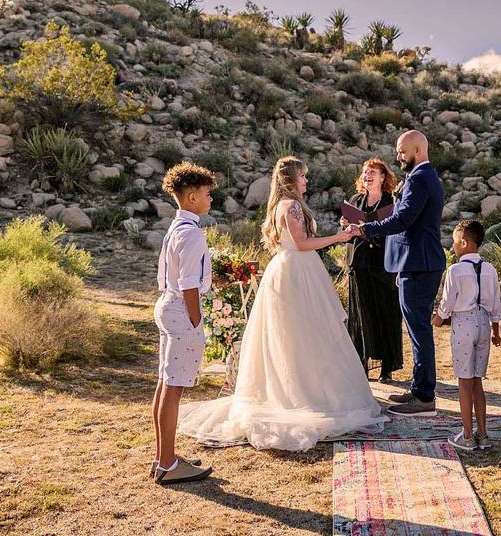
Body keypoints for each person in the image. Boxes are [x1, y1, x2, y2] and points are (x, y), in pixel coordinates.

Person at [178, 156, 386, 451]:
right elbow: (301, 244)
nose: (306, 181)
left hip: (293, 269)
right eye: (303, 176)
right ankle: (305, 396)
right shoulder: (290, 206)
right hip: (295, 273)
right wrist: (340, 236)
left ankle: (308, 390)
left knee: (301, 336)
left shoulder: (286, 206)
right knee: (303, 334)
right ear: (291, 179)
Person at [350, 130, 446, 416]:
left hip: (419, 263)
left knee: (419, 331)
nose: (399, 156)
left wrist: (366, 229)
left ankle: (425, 397)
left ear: (417, 150)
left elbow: (403, 219)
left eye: (403, 151)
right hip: (413, 263)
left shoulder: (419, 179)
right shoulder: (426, 177)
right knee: (417, 331)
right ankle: (419, 388)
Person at [151, 162, 218, 485]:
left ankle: (164, 457)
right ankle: (167, 463)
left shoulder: (177, 228)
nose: (210, 199)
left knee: (166, 383)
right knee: (173, 387)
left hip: (167, 305)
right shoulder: (191, 234)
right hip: (181, 309)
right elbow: (189, 283)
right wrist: (196, 321)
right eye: (206, 194)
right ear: (191, 197)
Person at [431, 220, 501, 451]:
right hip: (483, 323)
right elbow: (496, 304)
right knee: (477, 381)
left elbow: (447, 301)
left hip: (464, 324)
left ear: (464, 242)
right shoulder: (490, 269)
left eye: (454, 242)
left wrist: (438, 318)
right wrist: (496, 330)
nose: (453, 247)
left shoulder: (455, 270)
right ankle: (484, 434)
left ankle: (467, 435)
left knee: (464, 381)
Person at [342, 158, 403, 383]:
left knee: (386, 314)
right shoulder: (357, 200)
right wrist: (347, 226)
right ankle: (361, 364)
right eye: (365, 172)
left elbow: (394, 231)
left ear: (383, 177)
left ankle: (386, 367)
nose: (367, 175)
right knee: (360, 315)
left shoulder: (392, 201)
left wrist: (367, 230)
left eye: (372, 172)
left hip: (383, 265)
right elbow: (351, 230)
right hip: (359, 264)